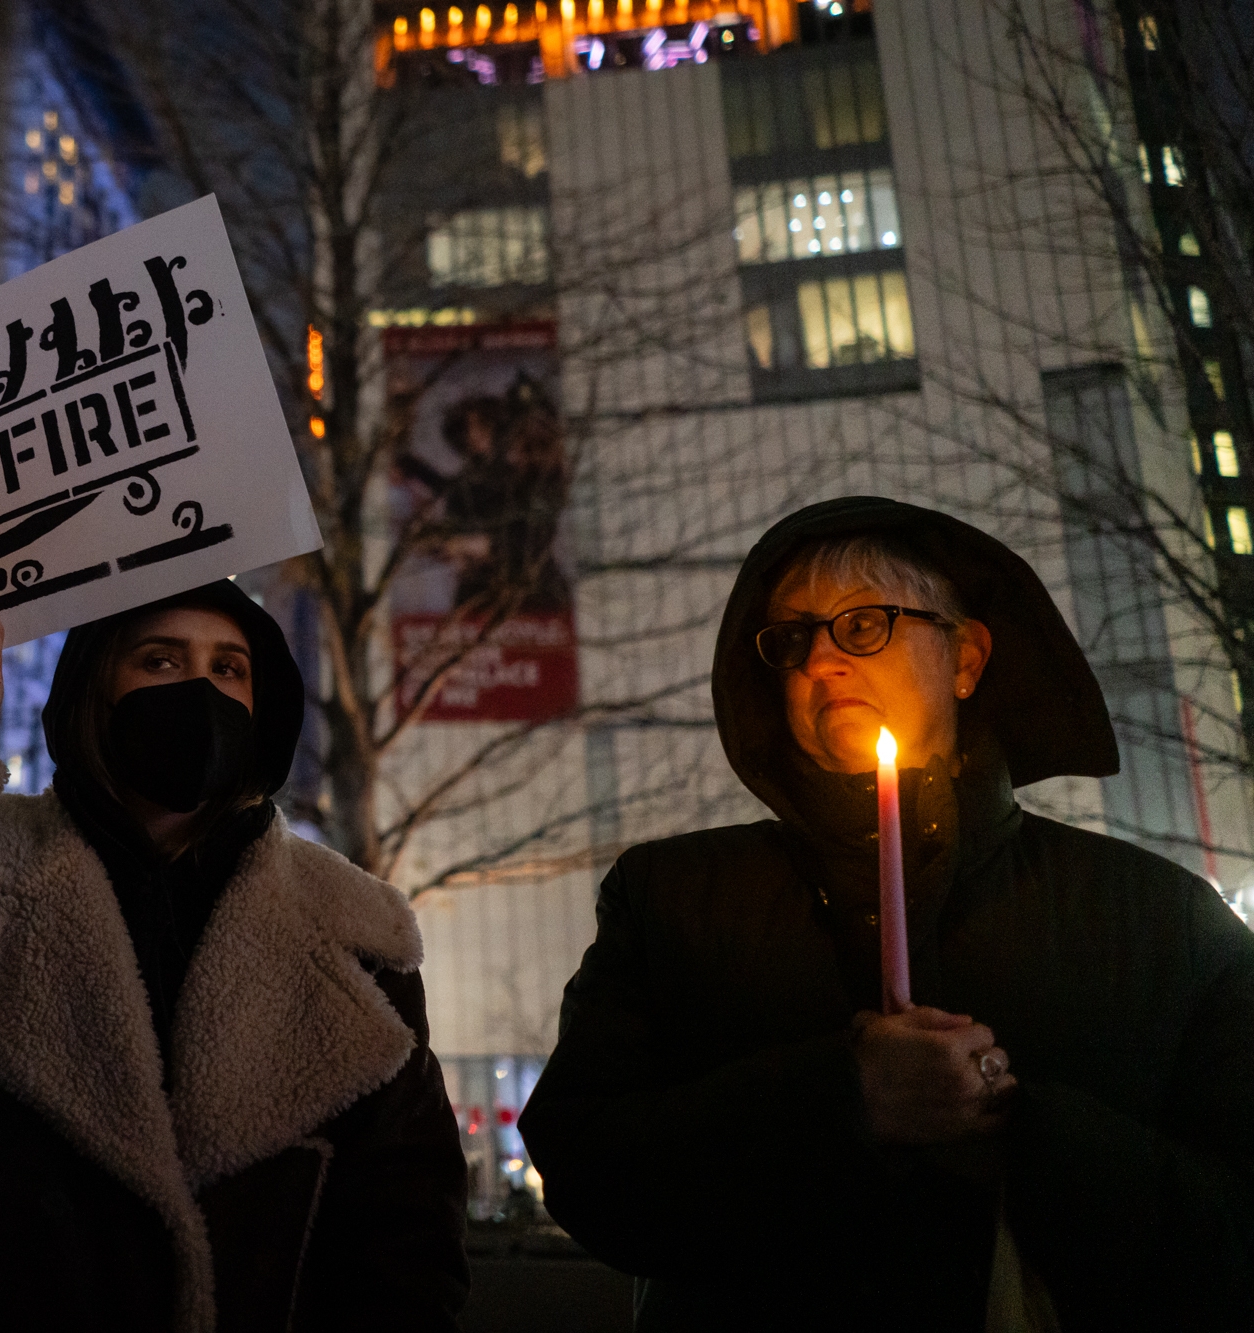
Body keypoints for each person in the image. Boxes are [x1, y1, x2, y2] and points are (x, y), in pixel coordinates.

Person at [518, 496, 1254, 1329]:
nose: (818, 664)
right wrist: (845, 1098)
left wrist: (1030, 1134)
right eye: (791, 639)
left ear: (967, 656)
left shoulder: (1158, 920)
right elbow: (586, 1161)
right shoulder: (676, 898)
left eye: (863, 624)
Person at [0, 583, 468, 1332]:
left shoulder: (355, 930)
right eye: (160, 659)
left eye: (229, 668)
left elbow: (407, 1217)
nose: (199, 688)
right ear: (96, 690)